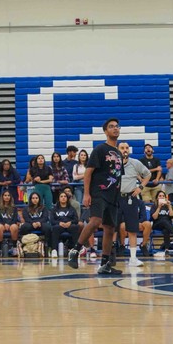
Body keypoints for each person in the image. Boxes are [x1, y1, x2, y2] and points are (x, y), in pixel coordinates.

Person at [68, 118, 125, 275]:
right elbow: (88, 172)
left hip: (113, 196)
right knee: (95, 221)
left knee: (109, 228)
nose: (115, 128)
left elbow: (117, 176)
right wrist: (86, 193)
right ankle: (75, 251)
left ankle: (105, 264)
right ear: (106, 131)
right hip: (99, 192)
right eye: (111, 127)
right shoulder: (100, 149)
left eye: (117, 126)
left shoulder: (119, 153)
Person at [49, 191, 80, 257]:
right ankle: (54, 250)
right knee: (55, 228)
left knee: (75, 227)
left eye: (65, 196)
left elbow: (76, 219)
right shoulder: (54, 209)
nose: (63, 198)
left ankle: (76, 250)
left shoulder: (72, 209)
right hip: (59, 225)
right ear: (59, 198)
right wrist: (59, 223)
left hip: (69, 225)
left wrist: (70, 222)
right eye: (61, 196)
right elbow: (52, 220)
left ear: (67, 198)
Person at [150, 190, 173, 258]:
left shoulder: (168, 206)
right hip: (157, 224)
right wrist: (159, 207)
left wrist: (169, 207)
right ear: (157, 198)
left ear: (165, 198)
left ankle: (167, 250)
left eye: (163, 196)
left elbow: (172, 216)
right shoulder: (154, 206)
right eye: (160, 196)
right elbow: (154, 217)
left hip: (167, 225)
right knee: (163, 221)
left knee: (166, 230)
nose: (161, 197)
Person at [0, 190, 21, 256]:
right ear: (2, 197)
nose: (7, 197)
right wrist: (4, 224)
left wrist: (9, 224)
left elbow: (14, 219)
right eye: (5, 195)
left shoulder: (14, 207)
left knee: (14, 227)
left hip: (11, 224)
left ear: (10, 197)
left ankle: (14, 247)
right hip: (2, 224)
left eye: (8, 195)